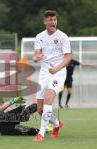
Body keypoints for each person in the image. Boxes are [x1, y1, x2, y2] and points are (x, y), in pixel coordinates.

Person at [32, 10, 72, 142]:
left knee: (49, 97)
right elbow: (37, 54)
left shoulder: (62, 37)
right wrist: (36, 58)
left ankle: (41, 134)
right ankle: (56, 123)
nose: (53, 22)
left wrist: (57, 68)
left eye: (54, 20)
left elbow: (68, 57)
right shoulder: (39, 36)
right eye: (50, 20)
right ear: (45, 22)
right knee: (40, 109)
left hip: (59, 72)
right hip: (44, 73)